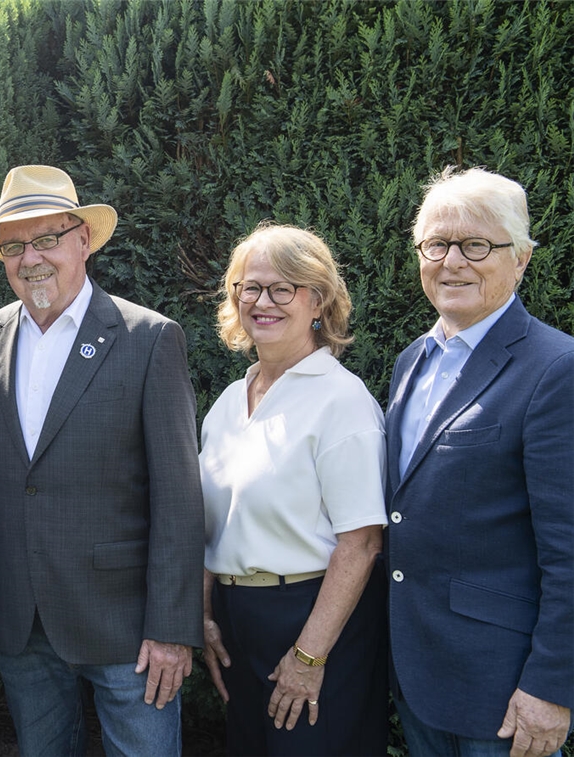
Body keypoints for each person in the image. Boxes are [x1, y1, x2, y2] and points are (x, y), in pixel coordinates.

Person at [0, 165, 203, 757]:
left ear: (83, 240)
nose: (32, 258)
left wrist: (172, 629)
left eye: (47, 239)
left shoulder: (149, 337)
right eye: (15, 246)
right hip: (23, 621)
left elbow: (178, 495)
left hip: (128, 628)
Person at [386, 167, 574, 757]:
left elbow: (570, 547)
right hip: (416, 668)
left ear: (519, 259)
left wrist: (551, 686)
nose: (453, 262)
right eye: (437, 244)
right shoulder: (411, 361)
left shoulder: (556, 368)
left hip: (504, 686)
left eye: (477, 246)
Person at [198, 223, 389, 756]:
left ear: (318, 301)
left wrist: (308, 657)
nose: (263, 302)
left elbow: (363, 544)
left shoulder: (341, 401)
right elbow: (214, 521)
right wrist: (206, 614)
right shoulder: (229, 403)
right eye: (250, 287)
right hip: (241, 625)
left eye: (283, 289)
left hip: (313, 621)